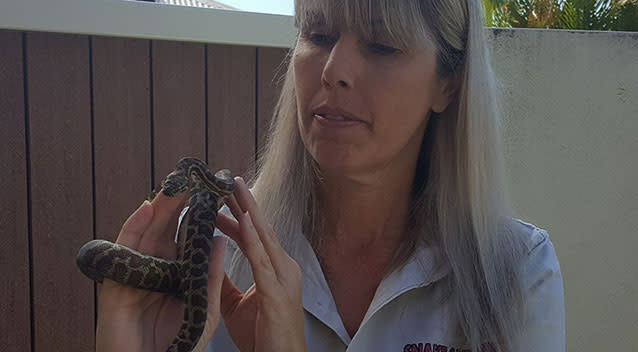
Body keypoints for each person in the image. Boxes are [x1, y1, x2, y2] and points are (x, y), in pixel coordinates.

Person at [95, 0, 565, 351]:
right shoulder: (213, 250)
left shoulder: (517, 275)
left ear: (448, 83)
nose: (335, 70)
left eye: (382, 45)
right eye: (317, 35)